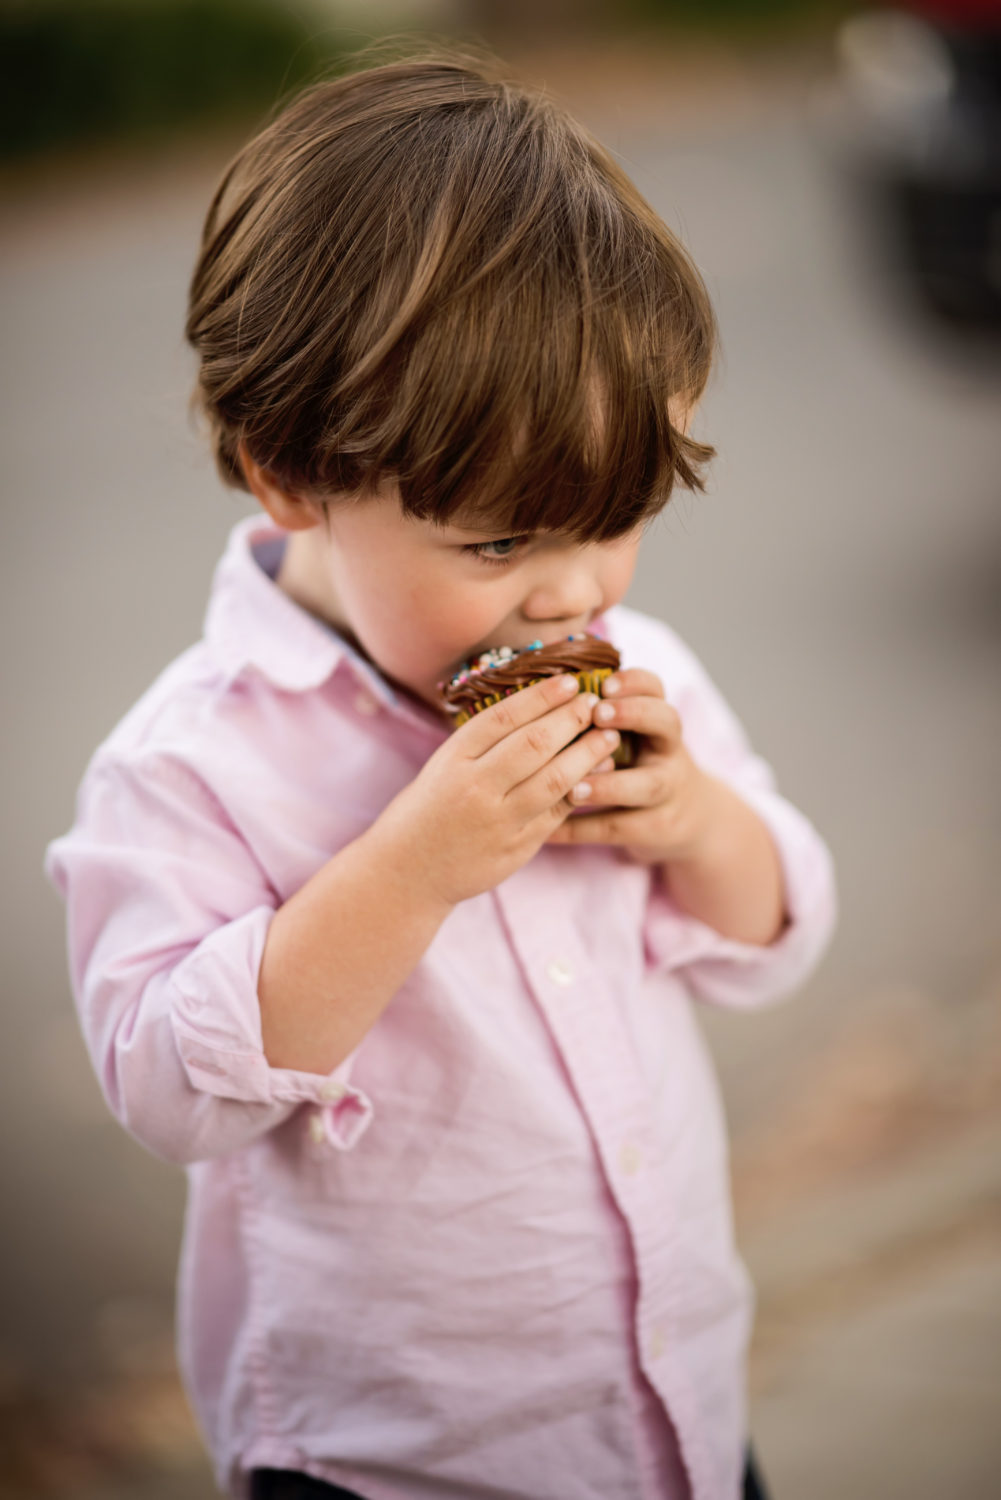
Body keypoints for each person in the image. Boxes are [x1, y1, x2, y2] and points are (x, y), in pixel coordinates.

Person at [44, 46, 836, 1500]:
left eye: (612, 519)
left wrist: (694, 823)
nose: (569, 595)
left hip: (669, 1411)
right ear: (289, 471)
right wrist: (412, 869)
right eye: (495, 543)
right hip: (389, 1462)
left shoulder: (632, 657)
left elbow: (775, 932)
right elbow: (167, 1087)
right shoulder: (190, 765)